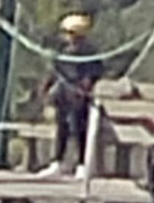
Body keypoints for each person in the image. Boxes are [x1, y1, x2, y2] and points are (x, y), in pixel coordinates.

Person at [39, 13, 104, 179]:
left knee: (78, 127)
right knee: (62, 127)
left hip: (79, 96)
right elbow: (53, 72)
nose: (68, 36)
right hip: (63, 94)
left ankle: (82, 164)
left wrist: (85, 86)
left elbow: (93, 73)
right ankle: (57, 162)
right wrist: (46, 88)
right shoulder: (61, 52)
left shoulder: (89, 53)